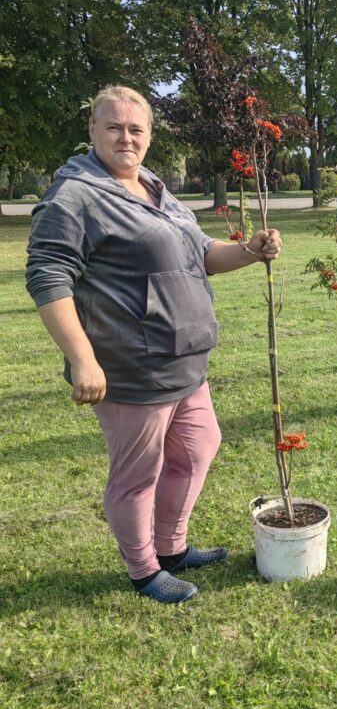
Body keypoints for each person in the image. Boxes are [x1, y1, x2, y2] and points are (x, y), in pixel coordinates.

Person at [26, 85, 282, 604]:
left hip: (185, 359)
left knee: (198, 447)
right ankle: (143, 569)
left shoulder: (153, 185)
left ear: (149, 136)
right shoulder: (74, 196)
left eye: (135, 129)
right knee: (137, 475)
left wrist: (248, 251)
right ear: (92, 130)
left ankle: (172, 547)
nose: (126, 137)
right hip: (132, 367)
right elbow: (48, 277)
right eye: (114, 127)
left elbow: (200, 251)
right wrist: (82, 359)